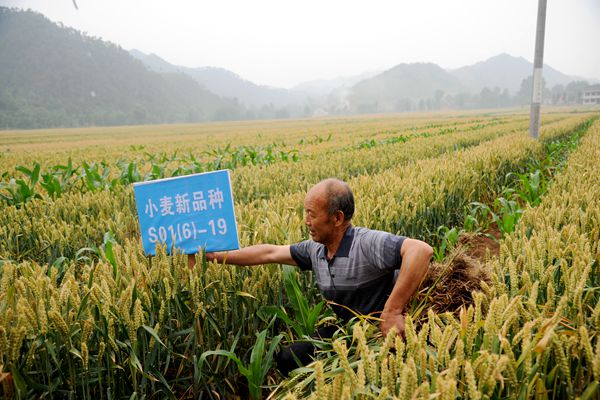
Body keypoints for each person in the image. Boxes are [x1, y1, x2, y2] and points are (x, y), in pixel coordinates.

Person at [188, 178, 433, 375]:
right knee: (288, 358)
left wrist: (392, 311)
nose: (306, 221)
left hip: (383, 333)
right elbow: (269, 253)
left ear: (337, 218)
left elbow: (420, 250)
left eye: (311, 214)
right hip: (347, 331)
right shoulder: (315, 249)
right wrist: (214, 256)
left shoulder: (366, 243)